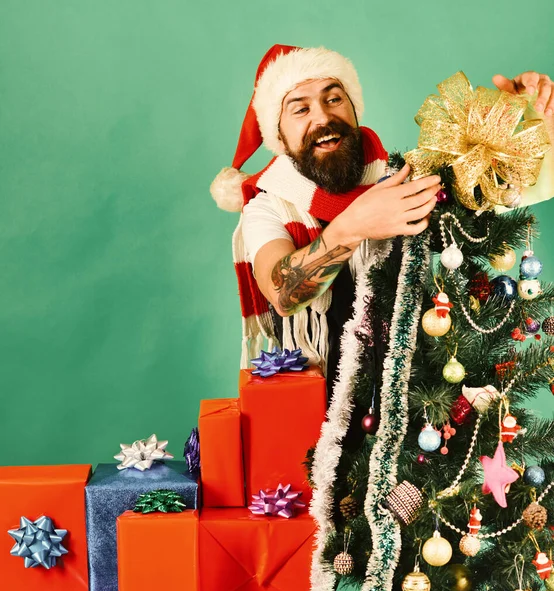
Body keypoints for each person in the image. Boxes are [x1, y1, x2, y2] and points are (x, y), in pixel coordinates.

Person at [211, 44, 554, 403]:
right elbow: (281, 292)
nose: (323, 117)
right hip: (312, 413)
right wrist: (355, 225)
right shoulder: (266, 206)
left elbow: (485, 194)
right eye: (300, 108)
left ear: (353, 108)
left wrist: (524, 120)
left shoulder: (400, 179)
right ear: (278, 134)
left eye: (333, 99)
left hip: (414, 409)